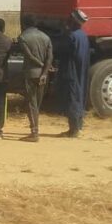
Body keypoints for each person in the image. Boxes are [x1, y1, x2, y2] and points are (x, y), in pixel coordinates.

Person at [18, 13, 53, 142]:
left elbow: (29, 56)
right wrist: (45, 71)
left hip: (30, 74)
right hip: (43, 75)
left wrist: (41, 65)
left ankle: (34, 132)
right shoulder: (46, 37)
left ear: (25, 24)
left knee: (31, 103)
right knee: (37, 104)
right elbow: (50, 57)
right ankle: (35, 130)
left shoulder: (23, 37)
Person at [57, 9, 90, 138]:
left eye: (69, 18)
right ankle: (79, 127)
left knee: (72, 97)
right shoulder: (83, 35)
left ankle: (74, 130)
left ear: (73, 21)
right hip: (80, 69)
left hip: (71, 71)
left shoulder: (71, 36)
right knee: (79, 95)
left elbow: (63, 52)